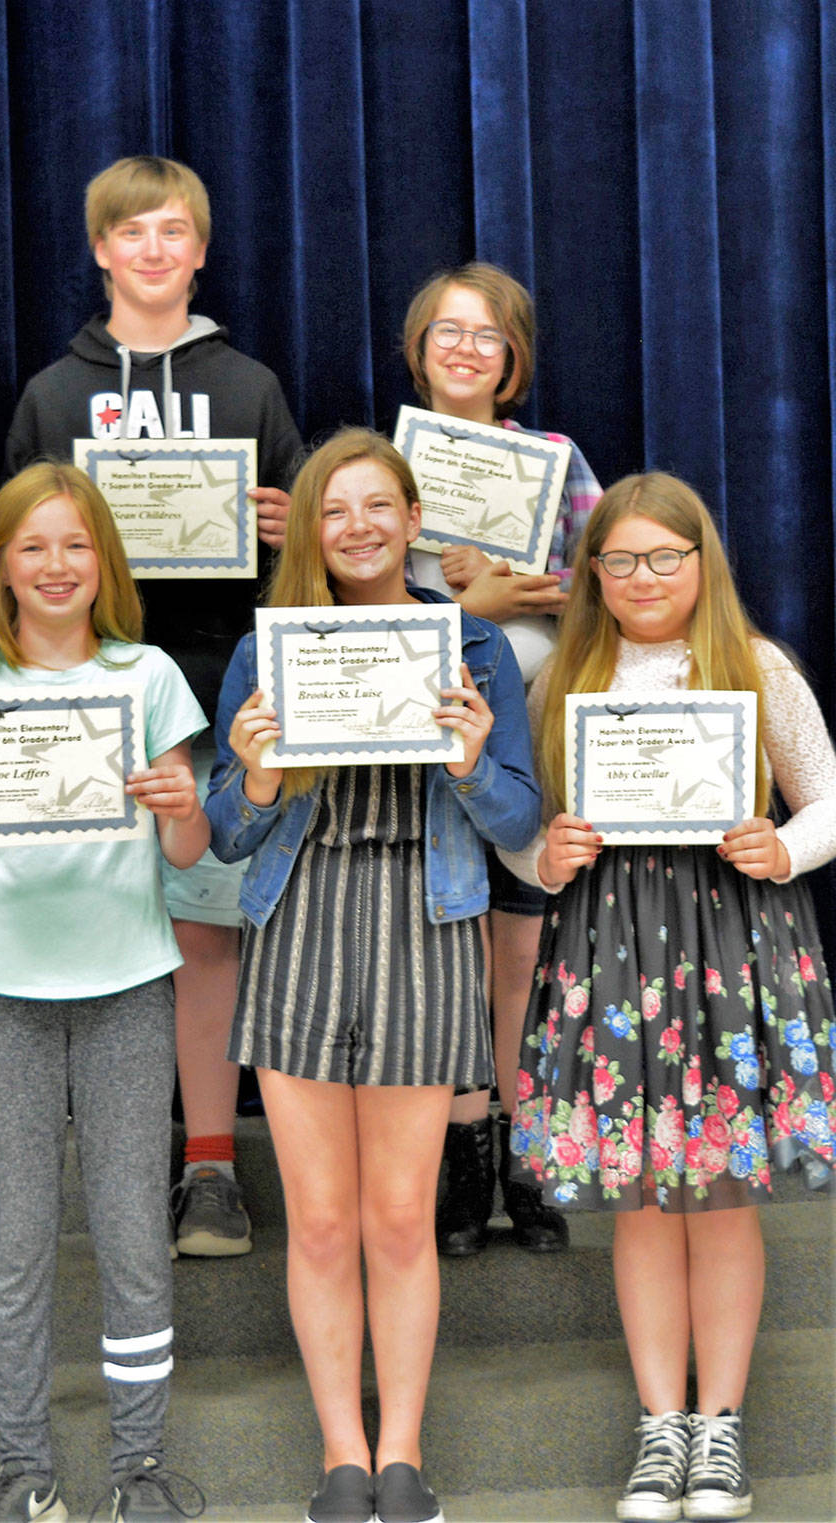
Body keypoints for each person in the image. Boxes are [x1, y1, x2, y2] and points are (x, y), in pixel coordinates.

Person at [206, 428, 540, 1523]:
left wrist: (469, 764)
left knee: (398, 1217)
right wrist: (255, 781)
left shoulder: (478, 648)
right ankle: (340, 1455)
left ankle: (401, 1455)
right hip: (302, 923)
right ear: (309, 527)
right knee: (319, 1219)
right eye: (331, 510)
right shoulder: (268, 652)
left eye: (374, 506)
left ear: (409, 518)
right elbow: (222, 833)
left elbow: (518, 822)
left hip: (426, 921)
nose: (354, 527)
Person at [499, 473, 836, 1522]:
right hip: (606, 954)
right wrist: (541, 852)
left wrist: (779, 844)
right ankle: (659, 1425)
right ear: (590, 571)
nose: (642, 578)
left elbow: (828, 797)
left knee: (719, 1191)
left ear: (701, 564)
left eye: (664, 558)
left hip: (728, 948)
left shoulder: (755, 664)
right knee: (641, 1196)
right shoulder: (564, 675)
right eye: (620, 559)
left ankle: (719, 1425)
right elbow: (519, 827)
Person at [0, 463, 209, 1523]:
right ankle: (23, 1465)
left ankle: (139, 1466)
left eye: (75, 545)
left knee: (129, 1237)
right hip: (2, 997)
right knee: (16, 1244)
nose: (56, 564)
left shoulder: (149, 672)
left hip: (127, 988)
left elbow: (188, 845)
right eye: (33, 546)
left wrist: (179, 805)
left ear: (103, 560)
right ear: (2, 566)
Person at [5, 155, 304, 1257]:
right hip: (77, 693)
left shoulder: (251, 386)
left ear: (199, 250)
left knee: (203, 929)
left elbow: (304, 567)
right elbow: (19, 552)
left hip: (215, 683)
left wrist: (287, 527)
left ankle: (210, 1164)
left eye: (172, 232)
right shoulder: (49, 392)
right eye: (130, 233)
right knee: (81, 928)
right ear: (99, 249)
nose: (151, 250)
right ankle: (91, 1171)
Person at [401, 261, 603, 1256]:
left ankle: (524, 1154)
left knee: (518, 957)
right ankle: (458, 1163)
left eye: (485, 335)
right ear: (418, 347)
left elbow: (617, 583)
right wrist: (461, 609)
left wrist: (543, 586)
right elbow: (344, 616)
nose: (465, 350)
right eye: (447, 330)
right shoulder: (384, 470)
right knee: (445, 960)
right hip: (420, 768)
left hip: (528, 750)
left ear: (511, 357)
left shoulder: (557, 464)